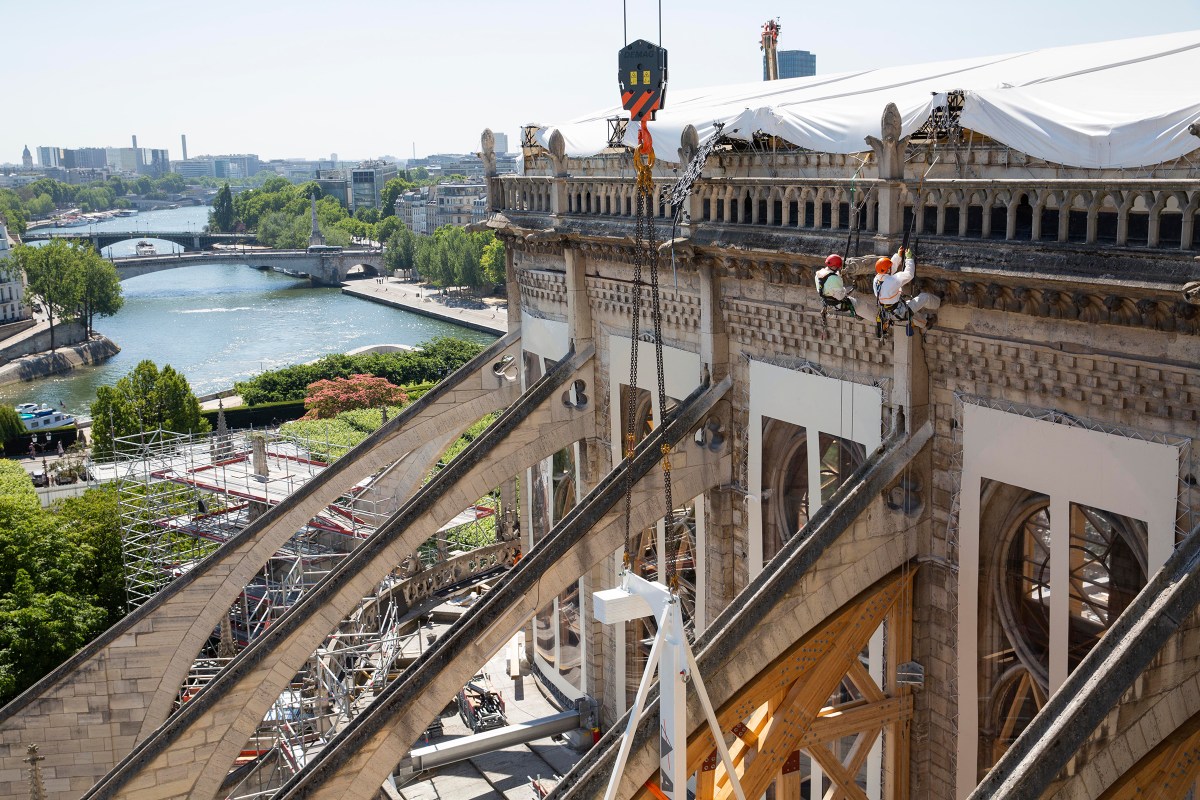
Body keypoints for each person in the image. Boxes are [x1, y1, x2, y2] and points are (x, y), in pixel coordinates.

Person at [872, 246, 941, 330]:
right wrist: (909, 259)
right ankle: (939, 302)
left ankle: (926, 323)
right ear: (887, 270)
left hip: (887, 311)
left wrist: (898, 256)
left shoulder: (876, 279)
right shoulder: (892, 281)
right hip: (899, 310)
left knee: (911, 310)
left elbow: (890, 269)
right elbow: (909, 274)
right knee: (924, 297)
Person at [815, 254, 872, 323]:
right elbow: (840, 297)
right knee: (859, 304)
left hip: (827, 300)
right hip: (837, 302)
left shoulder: (818, 274)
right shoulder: (835, 278)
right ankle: (861, 314)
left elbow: (828, 285)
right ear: (835, 266)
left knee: (850, 289)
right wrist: (847, 291)